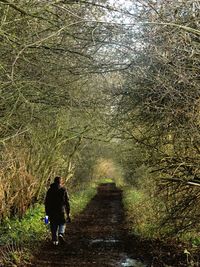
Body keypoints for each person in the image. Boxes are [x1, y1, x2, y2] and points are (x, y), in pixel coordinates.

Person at [45, 176, 71, 245]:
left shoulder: (50, 190)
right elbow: (67, 202)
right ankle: (60, 234)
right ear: (60, 182)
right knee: (62, 223)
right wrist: (68, 214)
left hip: (51, 211)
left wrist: (46, 216)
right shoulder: (63, 189)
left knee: (53, 225)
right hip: (61, 211)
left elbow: (46, 203)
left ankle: (54, 240)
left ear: (54, 181)